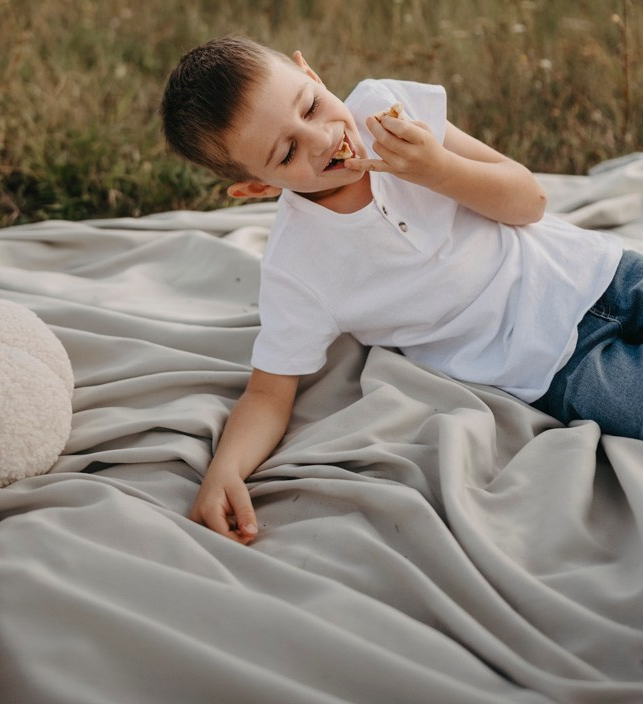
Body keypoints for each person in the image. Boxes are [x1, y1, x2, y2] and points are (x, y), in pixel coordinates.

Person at [160, 35, 638, 543]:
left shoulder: (387, 108)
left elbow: (529, 201)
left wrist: (440, 169)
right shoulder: (298, 268)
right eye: (288, 151)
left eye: (312, 106)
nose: (321, 138)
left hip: (596, 271)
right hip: (557, 363)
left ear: (312, 74)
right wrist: (226, 470)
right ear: (257, 187)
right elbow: (267, 394)